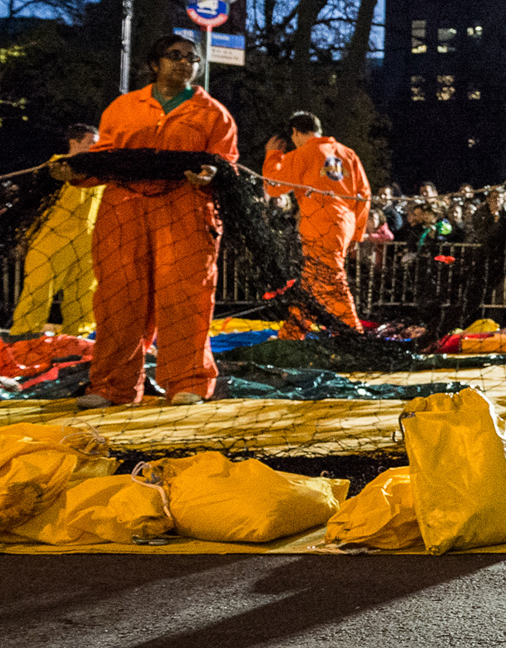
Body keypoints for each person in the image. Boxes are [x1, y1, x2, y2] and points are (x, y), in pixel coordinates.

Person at [77, 34, 238, 408]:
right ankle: (111, 386)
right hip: (125, 212)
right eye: (175, 56)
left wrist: (211, 175)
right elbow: (104, 157)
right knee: (118, 298)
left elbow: (225, 162)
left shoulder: (214, 113)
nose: (184, 63)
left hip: (186, 209)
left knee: (186, 297)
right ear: (154, 63)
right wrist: (77, 172)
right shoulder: (123, 107)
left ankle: (188, 382)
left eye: (191, 58)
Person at [261, 112, 370, 333]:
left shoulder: (303, 154)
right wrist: (356, 233)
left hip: (319, 224)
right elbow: (364, 194)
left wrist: (273, 155)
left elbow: (273, 186)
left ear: (295, 133)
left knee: (333, 282)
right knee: (312, 283)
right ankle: (292, 332)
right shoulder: (348, 153)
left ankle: (353, 333)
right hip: (344, 223)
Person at [8, 124, 103, 341]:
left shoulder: (100, 173)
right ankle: (23, 344)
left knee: (84, 298)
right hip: (50, 242)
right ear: (74, 142)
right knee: (38, 294)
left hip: (86, 244)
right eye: (92, 143)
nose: (96, 149)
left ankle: (77, 346)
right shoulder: (54, 167)